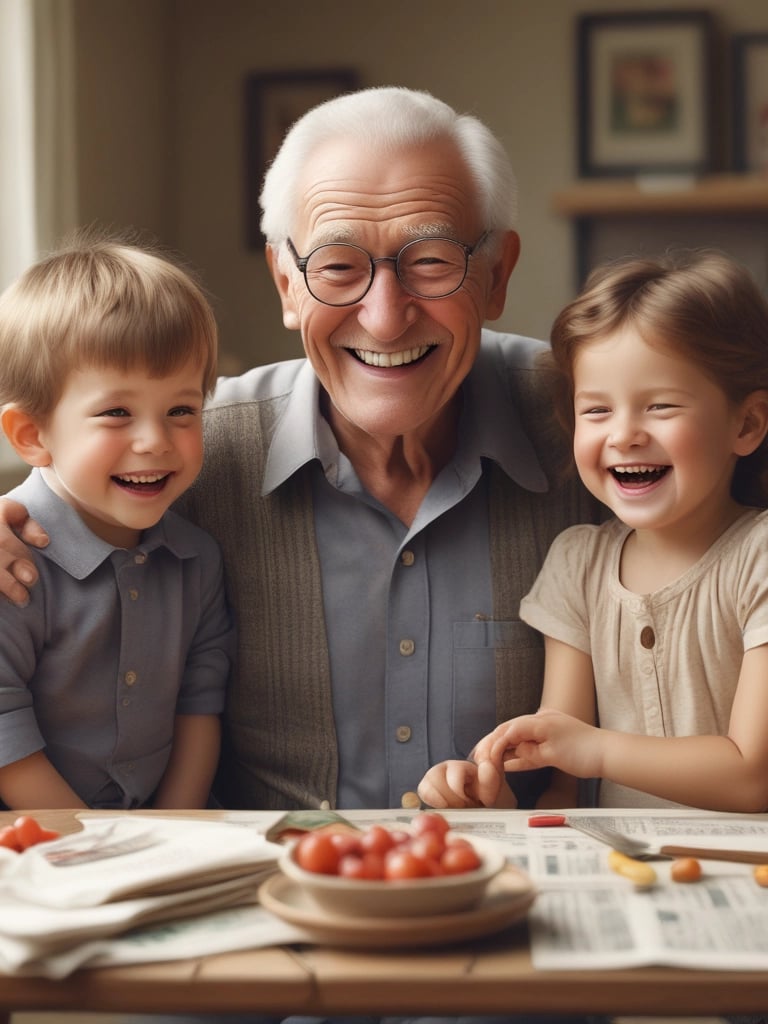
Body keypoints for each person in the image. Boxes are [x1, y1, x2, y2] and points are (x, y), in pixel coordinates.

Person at [0, 86, 601, 820]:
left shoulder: (595, 431)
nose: (384, 318)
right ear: (287, 282)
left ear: (497, 274)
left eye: (433, 261)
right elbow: (65, 475)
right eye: (339, 267)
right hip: (270, 895)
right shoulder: (189, 454)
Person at [418, 249, 768, 814]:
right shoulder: (577, 564)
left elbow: (755, 777)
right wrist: (491, 794)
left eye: (660, 405)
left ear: (746, 424)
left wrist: (595, 751)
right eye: (597, 411)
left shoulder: (759, 559)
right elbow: (566, 782)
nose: (624, 435)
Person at [0, 230, 234, 810]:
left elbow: (200, 702)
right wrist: (98, 843)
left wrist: (176, 831)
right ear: (33, 435)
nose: (155, 441)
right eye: (117, 413)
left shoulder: (197, 559)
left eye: (182, 410)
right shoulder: (13, 562)